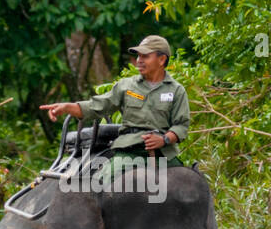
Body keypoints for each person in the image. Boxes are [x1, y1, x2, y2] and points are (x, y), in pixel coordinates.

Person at [40, 35, 189, 170]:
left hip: (164, 154)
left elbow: (181, 125)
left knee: (188, 185)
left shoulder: (177, 90)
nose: (139, 61)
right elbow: (96, 106)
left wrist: (164, 139)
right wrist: (66, 107)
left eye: (145, 56)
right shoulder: (126, 86)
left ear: (162, 59)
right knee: (102, 184)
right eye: (138, 56)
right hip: (130, 152)